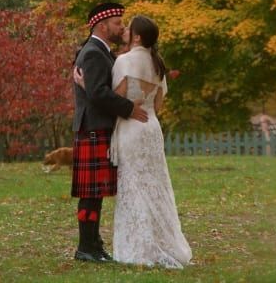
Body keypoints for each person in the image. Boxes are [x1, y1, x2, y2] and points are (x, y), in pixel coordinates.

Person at [76, 15, 192, 269]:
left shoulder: (124, 61)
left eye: (129, 28)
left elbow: (114, 98)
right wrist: (144, 107)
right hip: (150, 127)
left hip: (130, 128)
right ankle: (165, 242)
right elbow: (158, 104)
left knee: (134, 185)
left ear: (137, 37)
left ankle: (139, 246)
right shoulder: (158, 64)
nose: (124, 29)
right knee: (155, 184)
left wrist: (85, 86)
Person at [71, 2, 149, 263]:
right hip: (93, 129)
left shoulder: (100, 51)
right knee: (91, 195)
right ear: (102, 26)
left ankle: (93, 245)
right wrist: (129, 108)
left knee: (94, 195)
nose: (121, 27)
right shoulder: (93, 52)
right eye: (117, 23)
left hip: (95, 128)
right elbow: (97, 93)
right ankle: (86, 247)